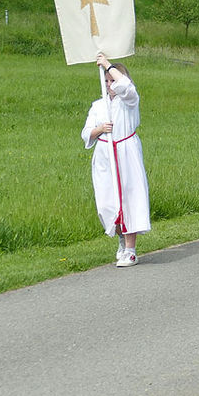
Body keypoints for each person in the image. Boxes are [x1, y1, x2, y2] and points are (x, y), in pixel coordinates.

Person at [82, 53, 151, 267]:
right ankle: (121, 239)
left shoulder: (129, 100)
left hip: (125, 151)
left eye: (113, 80)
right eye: (107, 82)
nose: (110, 85)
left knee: (130, 197)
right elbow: (86, 133)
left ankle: (131, 249)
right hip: (105, 155)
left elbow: (126, 88)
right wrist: (100, 129)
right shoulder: (98, 106)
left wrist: (107, 64)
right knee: (108, 201)